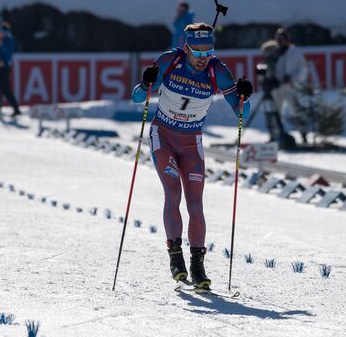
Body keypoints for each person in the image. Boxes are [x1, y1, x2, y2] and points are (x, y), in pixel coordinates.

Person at [131, 22, 252, 289]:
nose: (202, 58)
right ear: (186, 48)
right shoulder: (169, 61)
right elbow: (137, 98)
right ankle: (176, 258)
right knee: (173, 193)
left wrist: (244, 97)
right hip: (163, 136)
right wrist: (146, 82)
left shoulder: (218, 71)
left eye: (208, 52)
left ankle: (198, 266)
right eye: (197, 53)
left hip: (191, 142)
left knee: (195, 202)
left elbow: (242, 112)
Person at [271, 28, 309, 143]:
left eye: (283, 39)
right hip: (277, 87)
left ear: (287, 40)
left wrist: (292, 79)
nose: (281, 41)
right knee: (276, 112)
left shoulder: (295, 53)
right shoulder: (274, 52)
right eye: (279, 39)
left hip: (291, 88)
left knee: (296, 111)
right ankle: (276, 135)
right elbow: (270, 68)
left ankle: (303, 134)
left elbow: (303, 70)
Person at [0, 21, 21, 118]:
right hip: (0, 67)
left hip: (4, 68)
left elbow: (7, 55)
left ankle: (15, 109)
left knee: (5, 90)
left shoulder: (8, 40)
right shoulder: (0, 40)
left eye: (0, 32)